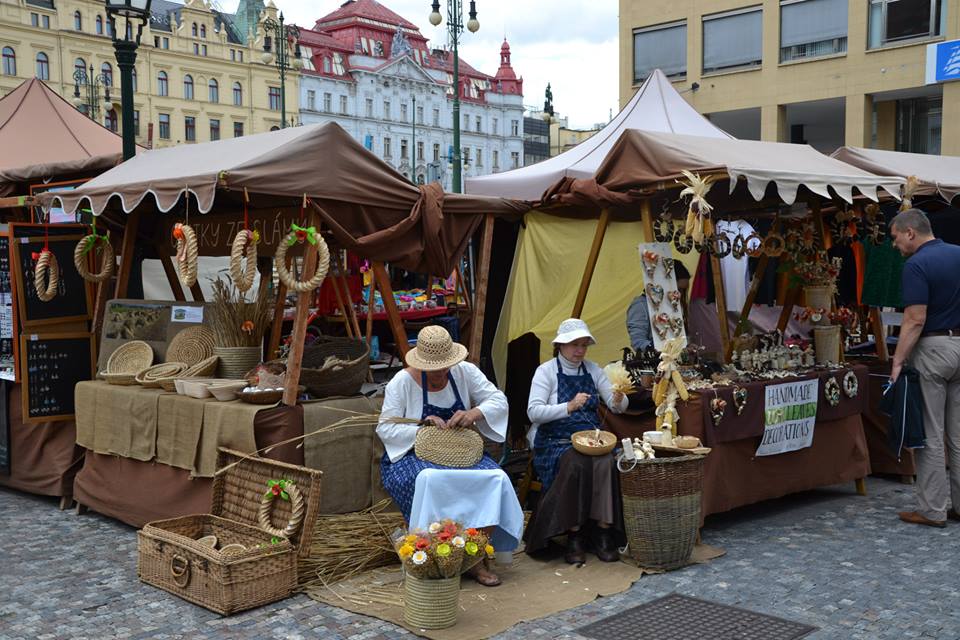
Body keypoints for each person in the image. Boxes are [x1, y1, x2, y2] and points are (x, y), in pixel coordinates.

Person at [377, 325, 523, 585]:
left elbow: (498, 400)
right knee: (429, 479)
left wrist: (473, 414)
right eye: (433, 369)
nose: (440, 373)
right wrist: (421, 427)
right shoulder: (402, 382)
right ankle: (431, 553)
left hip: (460, 451)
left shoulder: (465, 372)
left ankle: (474, 556)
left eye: (444, 367)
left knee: (496, 478)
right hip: (414, 454)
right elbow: (385, 427)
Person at [524, 318, 629, 564]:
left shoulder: (593, 370)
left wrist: (620, 396)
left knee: (608, 461)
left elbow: (618, 408)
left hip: (591, 438)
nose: (580, 350)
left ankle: (603, 531)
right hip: (554, 440)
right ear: (560, 345)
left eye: (584, 345)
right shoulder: (546, 371)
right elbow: (534, 412)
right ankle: (575, 534)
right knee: (576, 462)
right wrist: (568, 407)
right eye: (574, 345)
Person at [889, 208, 960, 528]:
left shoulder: (916, 264)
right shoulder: (958, 253)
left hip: (933, 349)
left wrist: (898, 359)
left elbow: (915, 318)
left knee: (931, 433)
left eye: (894, 238)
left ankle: (932, 510)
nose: (894, 245)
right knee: (958, 436)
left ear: (910, 233)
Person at [627, 261, 691, 352]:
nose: (679, 294)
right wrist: (661, 349)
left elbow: (676, 336)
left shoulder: (673, 304)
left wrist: (686, 345)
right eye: (678, 289)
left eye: (682, 291)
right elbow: (638, 342)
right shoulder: (640, 306)